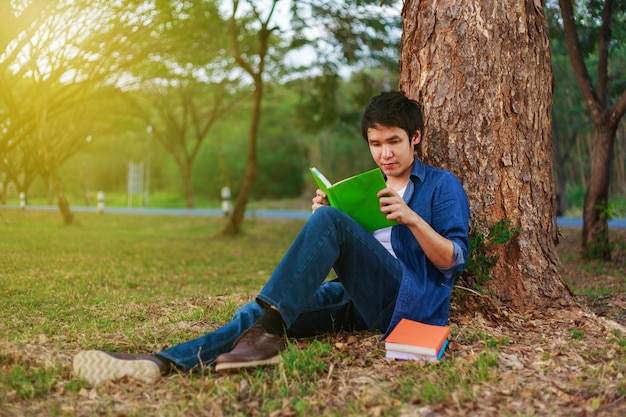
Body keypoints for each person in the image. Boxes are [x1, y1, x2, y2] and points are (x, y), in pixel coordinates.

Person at [73, 91, 470, 385]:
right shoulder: (368, 186)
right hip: (357, 298)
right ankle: (160, 364)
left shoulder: (440, 186)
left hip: (407, 301)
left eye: (394, 142)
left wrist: (412, 219)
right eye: (375, 144)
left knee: (327, 227)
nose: (384, 154)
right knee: (255, 315)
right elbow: (358, 250)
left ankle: (266, 334)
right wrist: (329, 218)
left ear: (415, 137)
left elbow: (453, 260)